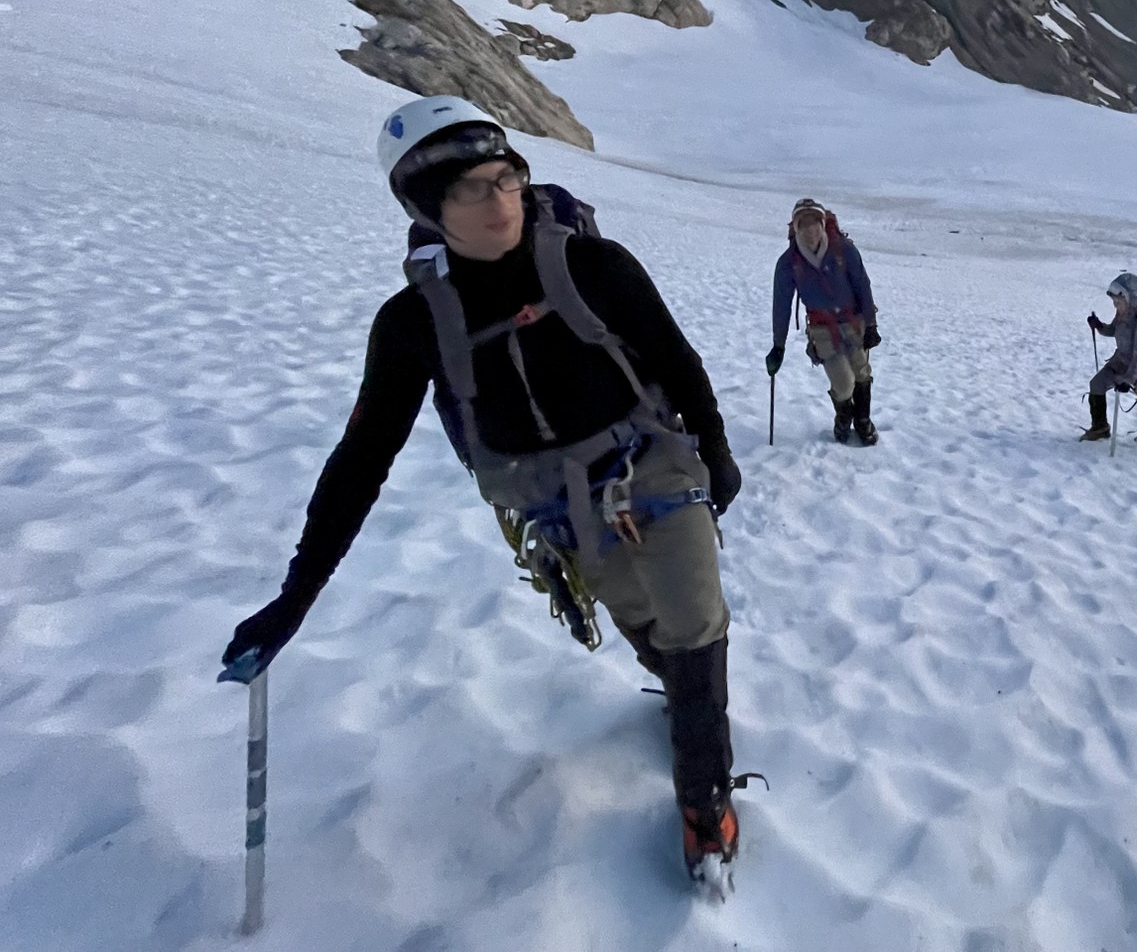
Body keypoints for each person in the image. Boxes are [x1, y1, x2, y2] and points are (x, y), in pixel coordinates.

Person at [218, 97, 751, 882]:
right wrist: (297, 594)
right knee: (641, 616)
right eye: (471, 188)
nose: (500, 200)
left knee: (692, 612)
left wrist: (715, 448)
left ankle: (704, 799)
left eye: (507, 178)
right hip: (553, 504)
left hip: (651, 464)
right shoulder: (410, 325)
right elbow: (362, 458)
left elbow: (676, 358)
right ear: (426, 207)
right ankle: (682, 692)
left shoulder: (594, 266)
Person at [766, 198, 879, 446]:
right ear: (795, 228)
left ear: (822, 223)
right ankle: (843, 416)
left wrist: (871, 324)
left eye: (814, 223)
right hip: (822, 330)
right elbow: (781, 305)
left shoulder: (844, 250)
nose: (810, 230)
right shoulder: (789, 263)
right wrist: (778, 345)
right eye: (803, 225)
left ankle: (862, 420)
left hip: (853, 322)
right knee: (844, 383)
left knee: (862, 373)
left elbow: (862, 285)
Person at [1082, 272, 1137, 444]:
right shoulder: (1122, 314)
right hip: (1120, 362)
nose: (1115, 305)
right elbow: (1113, 330)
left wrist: (1129, 379)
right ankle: (1100, 427)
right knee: (1096, 384)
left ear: (1128, 298)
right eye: (1114, 302)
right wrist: (1099, 325)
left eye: (1118, 302)